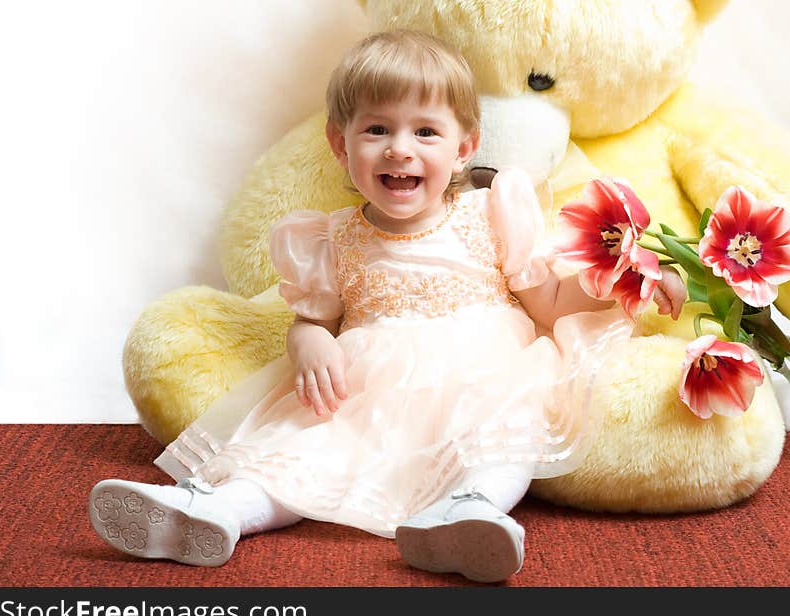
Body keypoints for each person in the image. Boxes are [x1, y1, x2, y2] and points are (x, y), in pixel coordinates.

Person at [89, 30, 685, 582]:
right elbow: (312, 320)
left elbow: (551, 303)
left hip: (485, 374)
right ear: (339, 145)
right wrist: (311, 341)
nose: (400, 150)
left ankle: (468, 510)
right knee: (298, 448)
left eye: (425, 132)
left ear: (463, 149)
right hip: (365, 389)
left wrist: (625, 279)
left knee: (503, 438)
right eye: (377, 130)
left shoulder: (491, 212)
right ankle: (216, 510)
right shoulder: (332, 237)